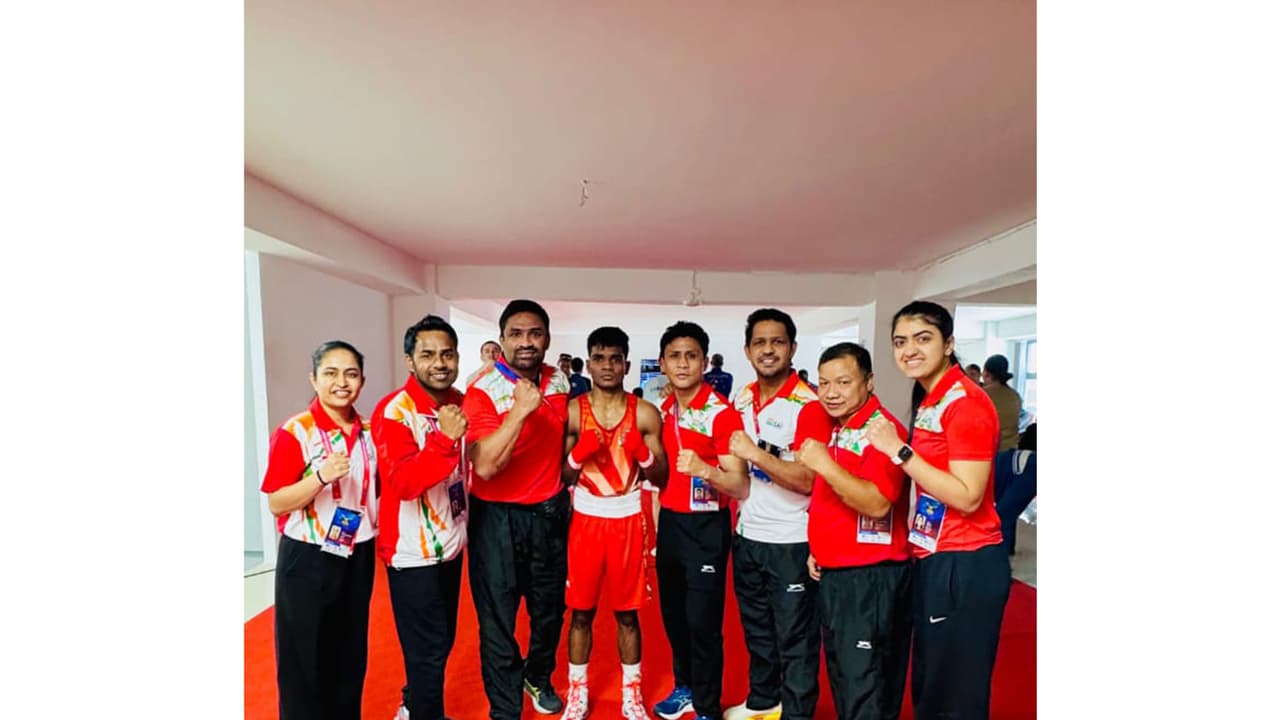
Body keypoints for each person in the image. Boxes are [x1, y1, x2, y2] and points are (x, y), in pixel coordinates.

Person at [863, 301, 1009, 720]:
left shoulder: (966, 403)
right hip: (935, 553)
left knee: (954, 694)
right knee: (933, 684)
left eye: (922, 339)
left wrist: (898, 450)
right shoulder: (932, 399)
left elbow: (967, 496)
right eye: (900, 341)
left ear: (948, 344)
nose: (909, 349)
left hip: (964, 561)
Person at [463, 300, 572, 719]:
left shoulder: (559, 380)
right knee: (498, 620)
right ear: (503, 338)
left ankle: (538, 675)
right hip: (496, 519)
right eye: (516, 334)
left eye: (535, 334)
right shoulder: (483, 390)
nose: (526, 342)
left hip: (548, 514)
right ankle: (505, 710)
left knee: (549, 612)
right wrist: (520, 412)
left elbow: (565, 436)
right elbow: (486, 466)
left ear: (546, 337)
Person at [261, 340, 379, 720]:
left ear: (362, 380)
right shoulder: (296, 431)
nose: (341, 382)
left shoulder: (368, 432)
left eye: (350, 373)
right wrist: (319, 478)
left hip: (356, 553)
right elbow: (277, 501)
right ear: (314, 379)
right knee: (304, 661)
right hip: (308, 557)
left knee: (349, 656)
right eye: (330, 373)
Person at [795, 342, 912, 720]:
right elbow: (834, 498)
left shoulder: (882, 431)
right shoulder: (841, 427)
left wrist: (823, 464)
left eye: (843, 382)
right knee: (848, 677)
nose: (830, 392)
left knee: (868, 684)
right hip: (839, 572)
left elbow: (878, 503)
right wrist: (821, 547)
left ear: (869, 382)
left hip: (871, 578)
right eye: (823, 383)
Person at [723, 309, 830, 720]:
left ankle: (797, 713)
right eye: (760, 343)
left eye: (778, 342)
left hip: (792, 539)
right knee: (758, 631)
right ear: (748, 350)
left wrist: (754, 453)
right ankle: (764, 702)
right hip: (749, 534)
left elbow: (807, 479)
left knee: (796, 639)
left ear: (793, 348)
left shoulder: (810, 404)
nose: (768, 350)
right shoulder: (744, 397)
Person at [561, 327, 669, 720]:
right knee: (581, 613)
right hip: (586, 520)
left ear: (626, 362)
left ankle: (632, 694)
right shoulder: (574, 410)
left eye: (615, 358)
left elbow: (661, 479)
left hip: (626, 520)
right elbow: (562, 477)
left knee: (627, 614)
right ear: (588, 362)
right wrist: (577, 457)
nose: (607, 366)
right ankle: (577, 691)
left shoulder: (644, 413)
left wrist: (642, 456)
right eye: (599, 358)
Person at [373, 315, 471, 720]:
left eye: (447, 353)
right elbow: (404, 482)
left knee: (440, 641)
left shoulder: (459, 401)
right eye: (427, 354)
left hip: (449, 545)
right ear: (409, 361)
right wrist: (445, 439)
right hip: (413, 554)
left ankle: (412, 705)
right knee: (428, 650)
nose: (439, 363)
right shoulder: (395, 411)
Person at [652, 322, 750, 720]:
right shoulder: (665, 409)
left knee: (702, 620)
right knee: (674, 616)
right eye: (674, 356)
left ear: (705, 362)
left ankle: (707, 705)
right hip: (672, 524)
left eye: (691, 355)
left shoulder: (721, 414)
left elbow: (740, 485)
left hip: (707, 526)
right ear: (662, 362)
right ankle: (685, 688)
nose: (682, 363)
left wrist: (704, 470)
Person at [994, 423, 1036, 556]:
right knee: (1007, 514)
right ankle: (1006, 551)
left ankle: (1002, 555)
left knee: (1004, 514)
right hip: (1018, 469)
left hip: (1025, 470)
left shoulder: (1031, 463)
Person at [981, 355, 1022, 452]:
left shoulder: (982, 395)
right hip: (1011, 453)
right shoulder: (1015, 396)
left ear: (986, 373)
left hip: (989, 452)